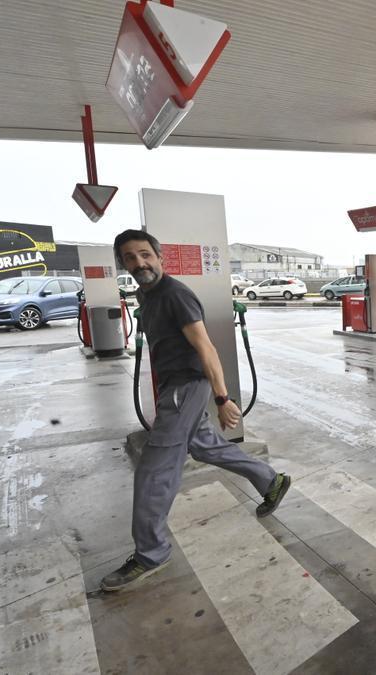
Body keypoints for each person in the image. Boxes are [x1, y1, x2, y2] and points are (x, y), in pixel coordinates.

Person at [101, 229, 290, 592]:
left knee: (154, 472)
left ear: (160, 258)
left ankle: (150, 554)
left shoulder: (175, 295)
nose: (139, 262)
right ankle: (271, 481)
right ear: (122, 263)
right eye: (130, 257)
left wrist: (223, 399)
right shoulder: (147, 293)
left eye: (145, 254)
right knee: (206, 446)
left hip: (186, 387)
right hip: (173, 387)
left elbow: (206, 347)